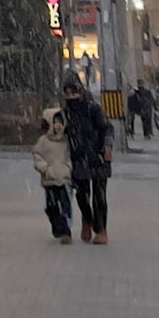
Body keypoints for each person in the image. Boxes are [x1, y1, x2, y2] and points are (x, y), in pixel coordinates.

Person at [61, 71, 112, 243]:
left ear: (80, 89)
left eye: (73, 91)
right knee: (82, 195)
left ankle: (101, 229)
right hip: (78, 158)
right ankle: (87, 219)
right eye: (67, 92)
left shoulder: (93, 108)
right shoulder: (66, 113)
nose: (71, 96)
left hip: (98, 157)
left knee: (99, 196)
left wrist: (107, 145)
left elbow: (107, 128)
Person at [31, 103, 73, 242]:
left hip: (63, 179)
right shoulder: (43, 141)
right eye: (54, 122)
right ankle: (57, 227)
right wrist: (44, 168)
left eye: (60, 122)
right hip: (49, 180)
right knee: (51, 206)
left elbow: (70, 157)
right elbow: (37, 155)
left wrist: (67, 168)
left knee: (65, 206)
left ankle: (66, 232)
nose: (58, 125)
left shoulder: (66, 141)